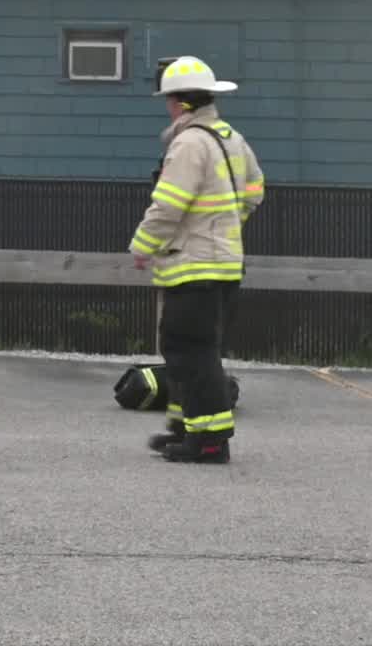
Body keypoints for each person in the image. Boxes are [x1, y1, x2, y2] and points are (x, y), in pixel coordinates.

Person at [127, 56, 265, 465]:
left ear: (181, 103)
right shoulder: (230, 138)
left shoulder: (189, 143)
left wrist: (143, 246)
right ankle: (188, 429)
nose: (168, 107)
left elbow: (169, 204)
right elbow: (255, 189)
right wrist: (227, 224)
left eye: (170, 100)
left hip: (195, 265)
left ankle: (209, 440)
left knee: (190, 350)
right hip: (222, 263)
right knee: (189, 348)